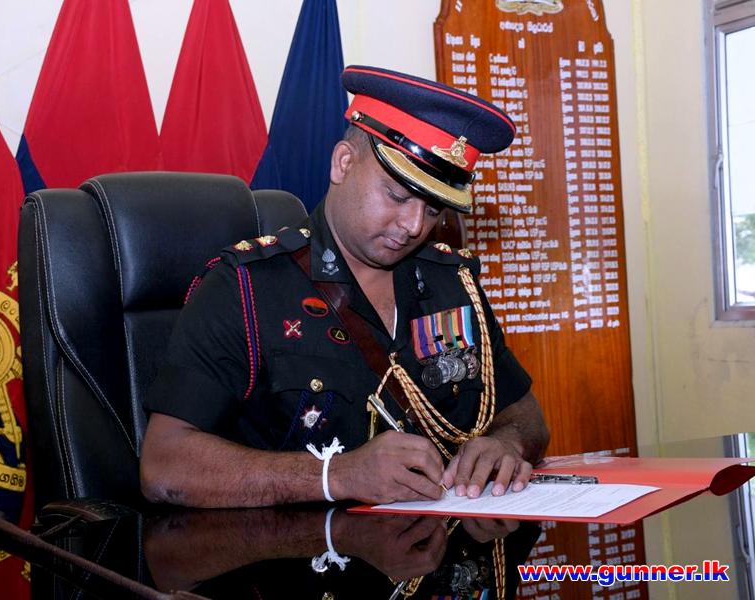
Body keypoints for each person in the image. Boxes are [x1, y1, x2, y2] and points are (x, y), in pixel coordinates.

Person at [140, 65, 549, 508]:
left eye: (434, 210)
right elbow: (165, 465)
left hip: (440, 539)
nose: (414, 225)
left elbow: (522, 411)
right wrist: (335, 475)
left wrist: (506, 443)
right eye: (397, 196)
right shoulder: (246, 288)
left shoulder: (452, 282)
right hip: (299, 547)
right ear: (343, 163)